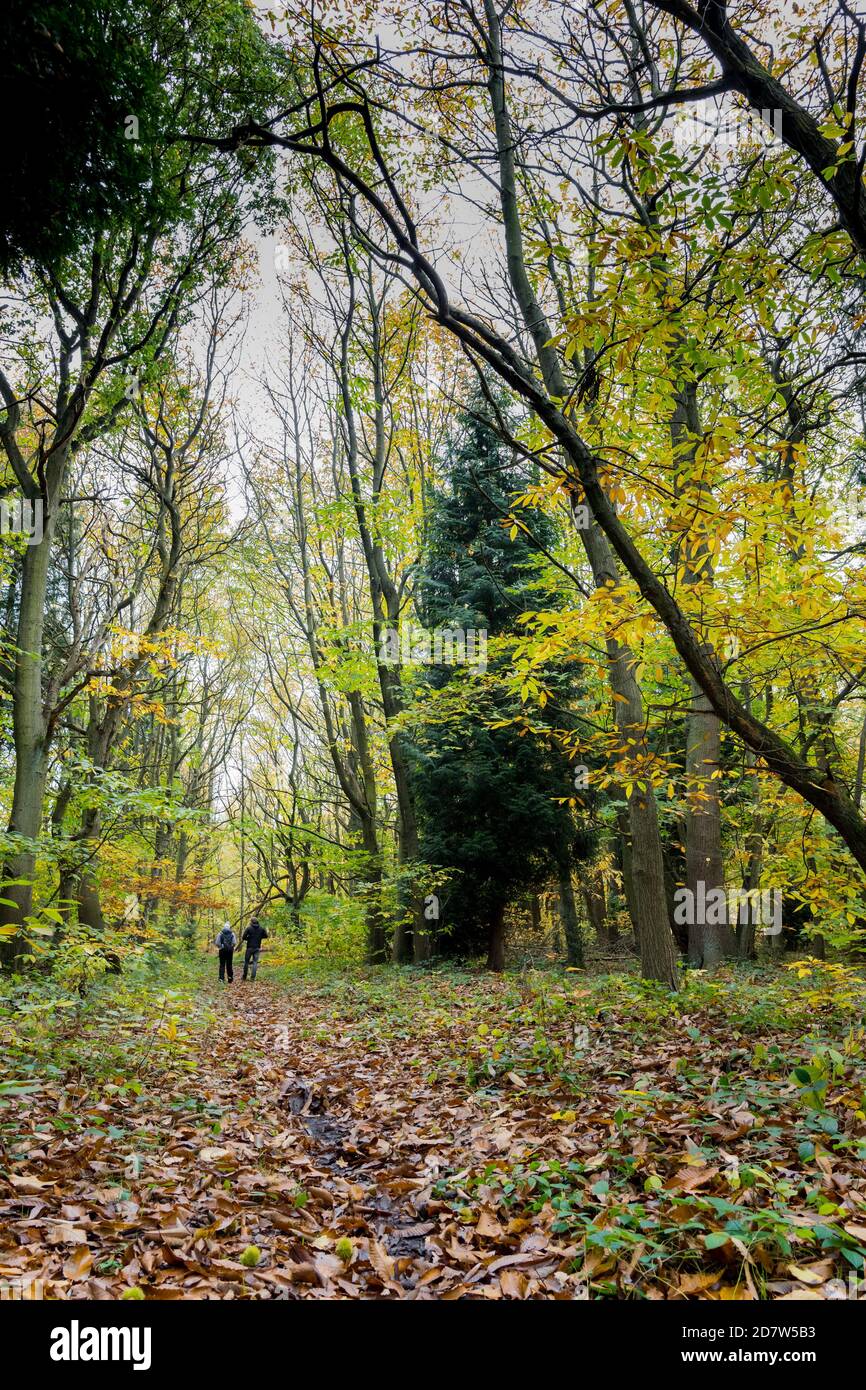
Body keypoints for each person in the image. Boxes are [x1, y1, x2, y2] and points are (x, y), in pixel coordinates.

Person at [240, 917, 268, 981]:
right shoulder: (261, 928)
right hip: (257, 948)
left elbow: (243, 937)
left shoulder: (249, 928)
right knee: (255, 962)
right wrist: (259, 937)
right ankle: (252, 978)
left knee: (246, 962)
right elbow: (266, 936)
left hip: (249, 947)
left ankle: (244, 977)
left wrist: (249, 938)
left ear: (251, 922)